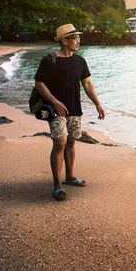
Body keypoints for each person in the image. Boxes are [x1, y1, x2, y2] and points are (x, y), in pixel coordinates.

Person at [34, 23, 106, 201]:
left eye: (78, 38)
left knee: (71, 143)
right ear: (65, 41)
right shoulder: (50, 60)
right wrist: (55, 102)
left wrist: (97, 103)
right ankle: (57, 186)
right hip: (55, 110)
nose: (78, 41)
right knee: (59, 144)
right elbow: (39, 83)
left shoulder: (80, 61)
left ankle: (70, 177)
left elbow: (87, 84)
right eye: (75, 38)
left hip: (75, 109)